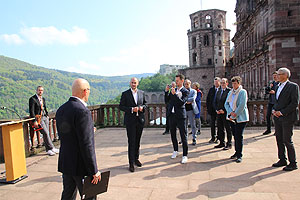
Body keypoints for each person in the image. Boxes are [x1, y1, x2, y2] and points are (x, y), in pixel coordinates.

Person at [56, 78, 101, 200]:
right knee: (89, 197)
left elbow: (67, 134)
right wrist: (94, 170)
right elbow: (87, 144)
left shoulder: (61, 109)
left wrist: (88, 131)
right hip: (81, 165)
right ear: (85, 91)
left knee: (68, 195)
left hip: (66, 162)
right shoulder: (82, 111)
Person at [272, 67, 299, 171]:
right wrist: (275, 110)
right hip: (278, 117)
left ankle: (293, 163)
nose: (277, 76)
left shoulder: (293, 86)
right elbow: (277, 101)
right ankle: (282, 159)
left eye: (279, 74)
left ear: (285, 75)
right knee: (279, 138)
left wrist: (282, 112)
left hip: (288, 117)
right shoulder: (278, 86)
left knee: (287, 140)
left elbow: (294, 103)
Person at [119, 77, 147, 172]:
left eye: (135, 83)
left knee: (138, 141)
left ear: (137, 84)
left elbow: (145, 104)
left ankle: (136, 159)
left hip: (140, 120)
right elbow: (121, 106)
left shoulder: (142, 93)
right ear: (130, 83)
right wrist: (131, 109)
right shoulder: (125, 94)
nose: (133, 84)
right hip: (130, 121)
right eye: (132, 82)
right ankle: (131, 163)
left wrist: (141, 108)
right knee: (131, 141)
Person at [165, 74, 189, 164]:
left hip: (180, 115)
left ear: (182, 81)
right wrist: (166, 92)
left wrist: (175, 95)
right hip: (172, 115)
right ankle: (175, 150)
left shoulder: (185, 91)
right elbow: (167, 101)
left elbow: (181, 103)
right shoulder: (173, 90)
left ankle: (185, 155)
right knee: (173, 134)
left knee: (183, 135)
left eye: (178, 80)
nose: (176, 82)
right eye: (176, 80)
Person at [224, 76, 249, 163]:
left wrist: (235, 113)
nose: (234, 85)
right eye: (233, 83)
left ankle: (239, 154)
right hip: (231, 117)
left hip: (240, 117)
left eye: (235, 83)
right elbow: (226, 103)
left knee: (239, 136)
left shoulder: (242, 92)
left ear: (239, 83)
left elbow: (242, 105)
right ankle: (236, 152)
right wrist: (230, 112)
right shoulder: (231, 92)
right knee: (235, 136)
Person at [29, 86, 59, 156]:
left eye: (42, 90)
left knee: (47, 133)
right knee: (45, 133)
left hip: (45, 117)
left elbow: (45, 107)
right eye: (39, 90)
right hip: (39, 118)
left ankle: (49, 149)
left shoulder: (43, 99)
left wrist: (47, 115)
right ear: (36, 90)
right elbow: (32, 111)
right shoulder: (32, 99)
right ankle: (50, 148)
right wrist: (34, 120)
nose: (40, 92)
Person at [214, 78, 232, 150]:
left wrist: (224, 110)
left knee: (228, 128)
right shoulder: (219, 91)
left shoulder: (229, 91)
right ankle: (222, 142)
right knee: (220, 128)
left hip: (226, 112)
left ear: (227, 83)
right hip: (219, 113)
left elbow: (230, 102)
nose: (222, 84)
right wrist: (216, 109)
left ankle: (229, 143)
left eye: (224, 83)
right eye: (221, 83)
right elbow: (215, 102)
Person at [206, 77, 221, 143]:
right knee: (212, 124)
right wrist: (208, 108)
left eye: (217, 82)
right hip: (212, 110)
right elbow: (208, 99)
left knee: (219, 124)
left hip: (219, 110)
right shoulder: (211, 89)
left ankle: (219, 137)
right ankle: (213, 137)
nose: (216, 83)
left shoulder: (221, 89)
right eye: (215, 82)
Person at [184, 79, 199, 145]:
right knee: (185, 125)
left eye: (187, 84)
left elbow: (193, 99)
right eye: (185, 84)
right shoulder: (182, 91)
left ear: (190, 84)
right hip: (184, 110)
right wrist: (187, 101)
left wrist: (185, 100)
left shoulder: (193, 91)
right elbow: (180, 99)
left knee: (193, 125)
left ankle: (194, 138)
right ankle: (185, 139)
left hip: (191, 110)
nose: (186, 85)